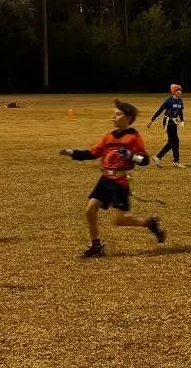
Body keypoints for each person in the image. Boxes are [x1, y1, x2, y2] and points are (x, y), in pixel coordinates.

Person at [59, 100, 165, 257]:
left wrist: (131, 156)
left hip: (120, 182)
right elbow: (93, 153)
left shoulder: (133, 137)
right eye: (113, 114)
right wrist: (72, 153)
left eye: (118, 114)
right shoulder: (108, 137)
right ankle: (96, 246)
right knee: (89, 210)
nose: (113, 117)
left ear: (129, 117)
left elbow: (144, 160)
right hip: (104, 180)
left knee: (119, 220)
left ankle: (150, 224)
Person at [147, 83, 186, 167]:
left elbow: (180, 112)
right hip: (168, 122)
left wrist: (182, 121)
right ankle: (158, 157)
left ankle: (175, 161)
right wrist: (152, 121)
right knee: (173, 141)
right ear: (173, 91)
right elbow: (159, 111)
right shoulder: (168, 101)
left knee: (175, 141)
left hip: (174, 122)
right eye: (177, 90)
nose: (179, 91)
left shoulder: (180, 101)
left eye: (180, 90)